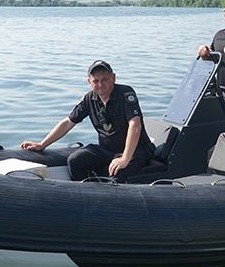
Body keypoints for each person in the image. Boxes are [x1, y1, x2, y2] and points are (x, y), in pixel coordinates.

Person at [20, 60, 155, 182]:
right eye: (96, 81)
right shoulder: (89, 99)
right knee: (75, 160)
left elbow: (135, 125)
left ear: (113, 78)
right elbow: (68, 122)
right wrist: (42, 144)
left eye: (105, 79)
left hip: (136, 150)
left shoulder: (126, 93)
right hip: (107, 150)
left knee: (117, 172)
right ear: (89, 82)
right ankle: (88, 193)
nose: (100, 84)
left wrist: (125, 158)